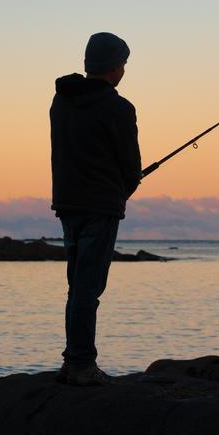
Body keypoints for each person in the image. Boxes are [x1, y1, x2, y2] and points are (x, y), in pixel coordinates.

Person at [50, 32, 142, 386]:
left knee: (78, 286)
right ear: (115, 66)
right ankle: (81, 364)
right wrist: (123, 189)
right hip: (100, 207)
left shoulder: (60, 102)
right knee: (88, 288)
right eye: (124, 63)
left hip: (68, 203)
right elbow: (131, 166)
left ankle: (73, 360)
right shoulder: (119, 107)